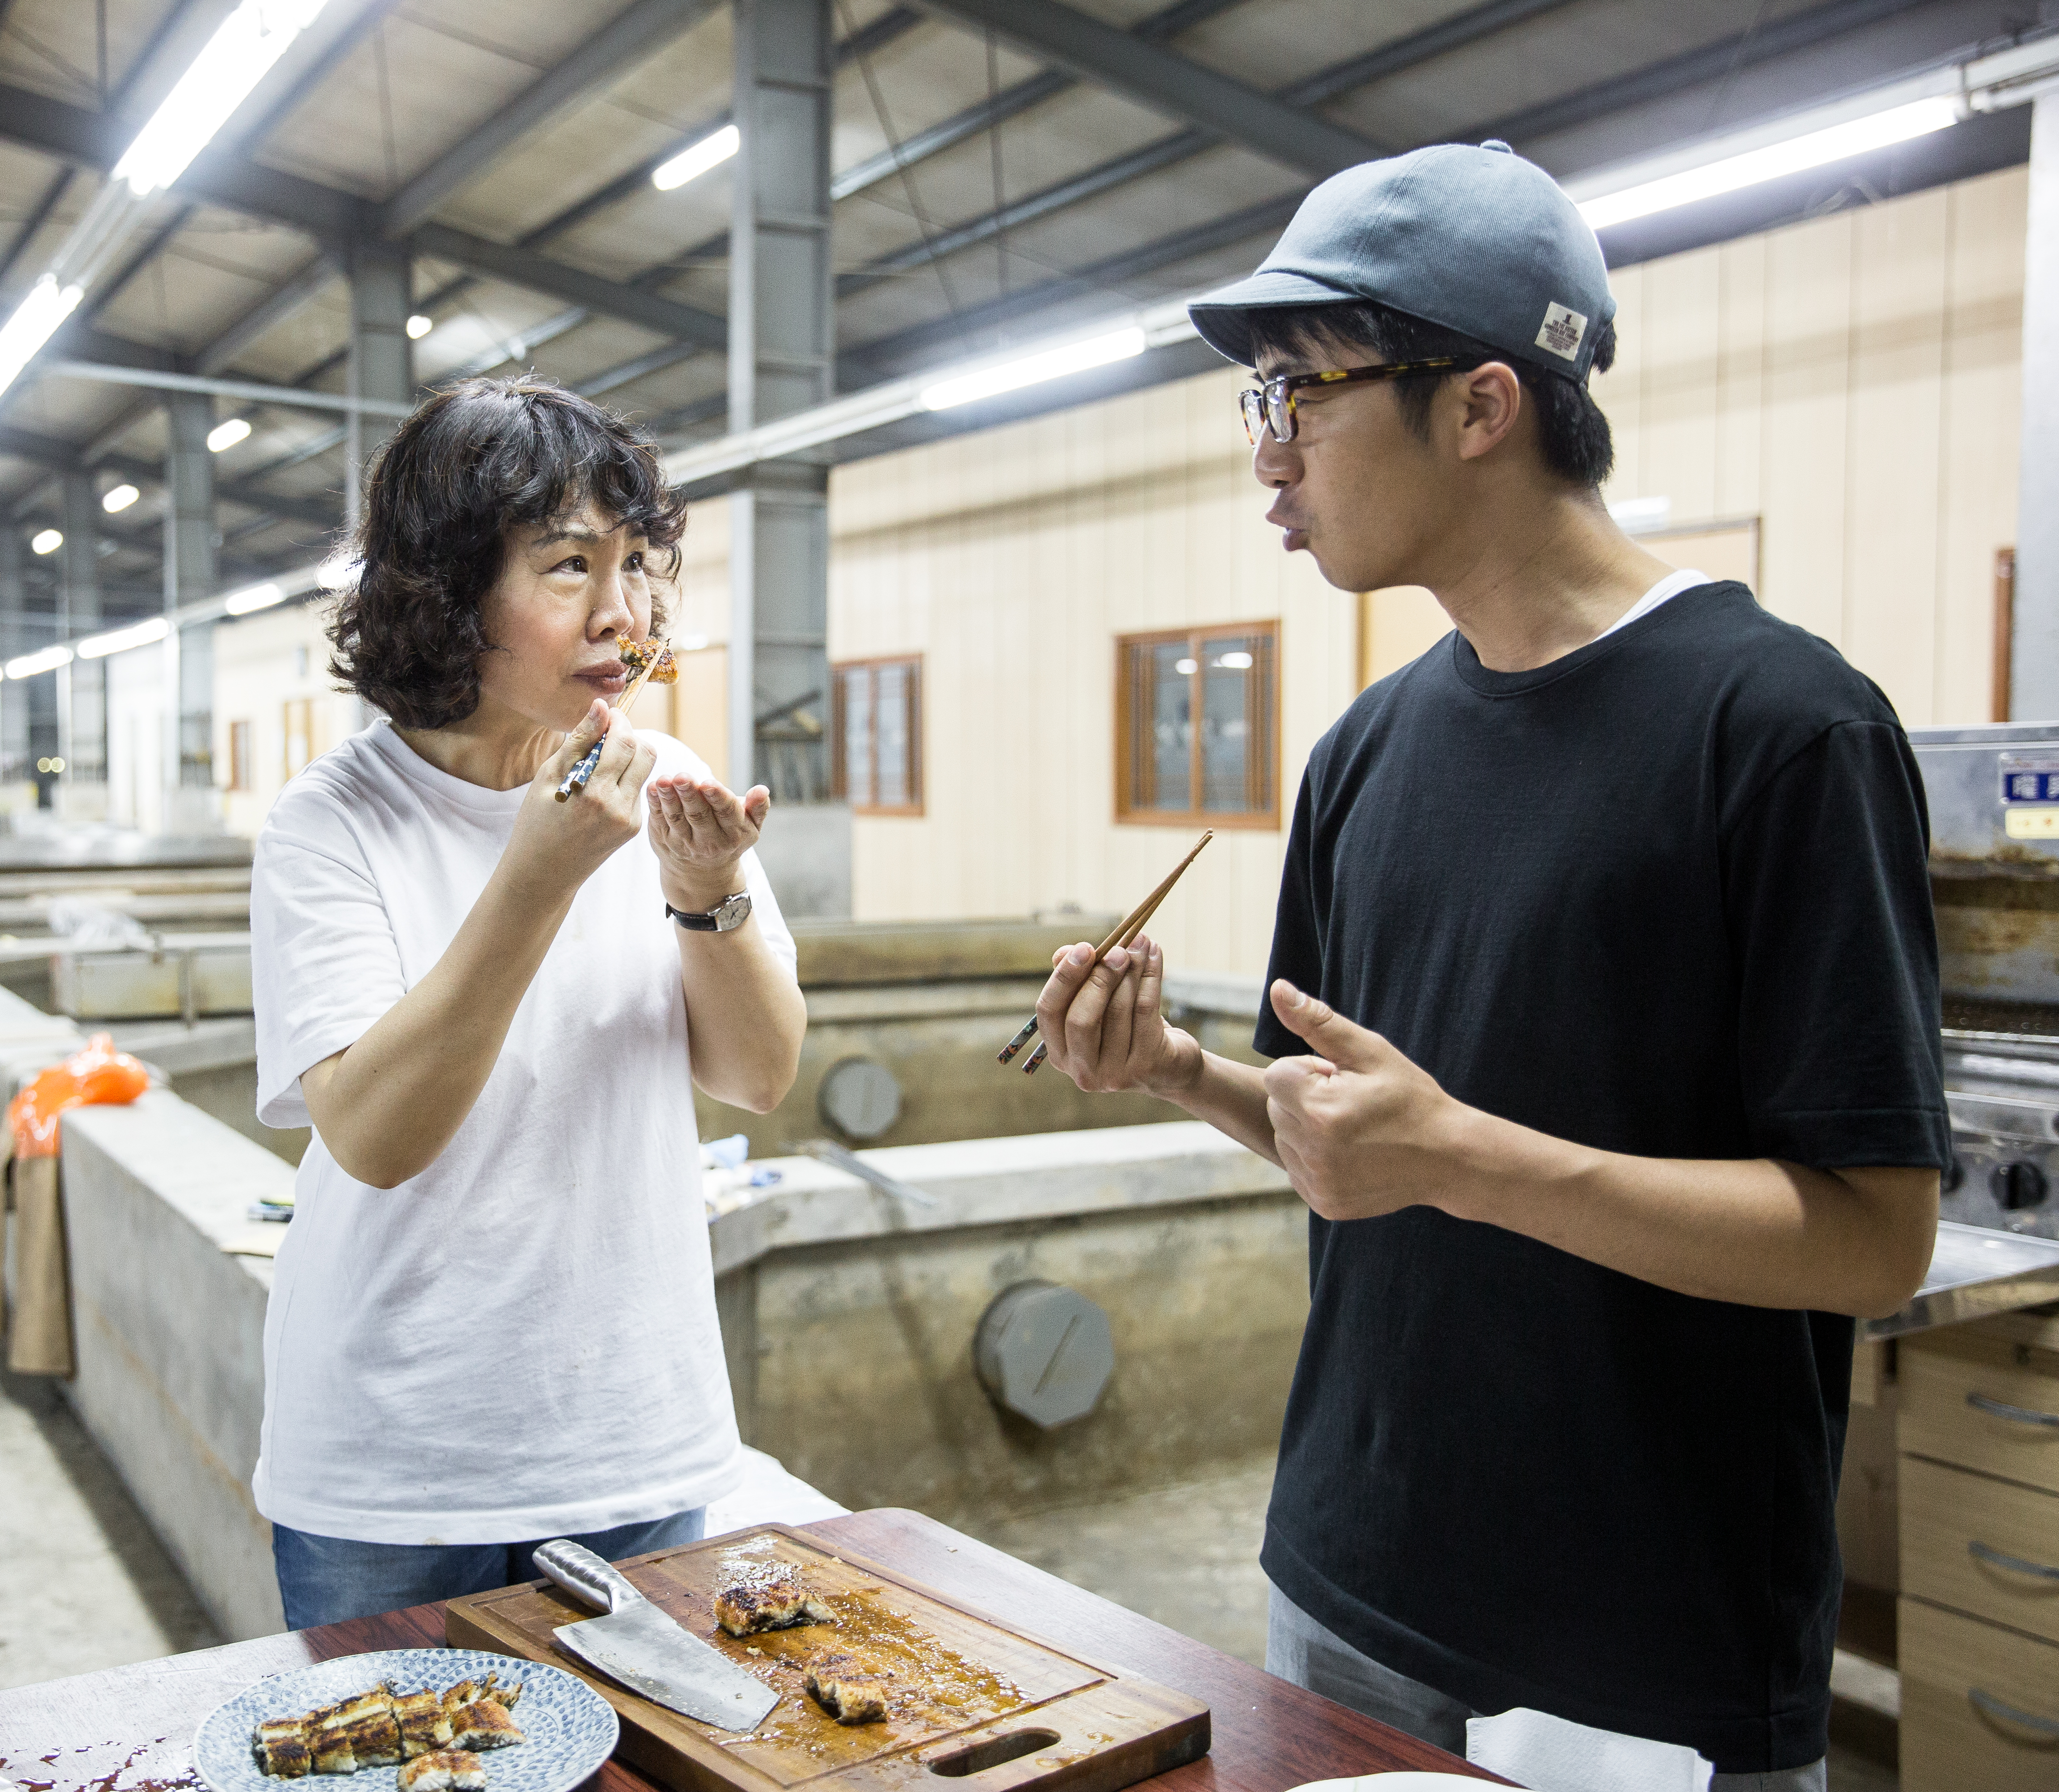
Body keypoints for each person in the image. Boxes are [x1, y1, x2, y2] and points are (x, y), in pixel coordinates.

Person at [1031, 142, 1944, 1790]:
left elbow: (1877, 1240)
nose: (1271, 463)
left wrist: (1465, 1157)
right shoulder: (1370, 748)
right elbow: (1358, 1145)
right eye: (1259, 408)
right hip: (1347, 1580)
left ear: (1481, 406)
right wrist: (1179, 1074)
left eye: (1300, 399)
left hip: (1636, 1643)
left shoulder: (1785, 732)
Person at [247, 377, 806, 1630]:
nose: (626, 614)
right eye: (567, 567)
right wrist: (537, 876)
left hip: (637, 1442)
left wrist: (706, 891)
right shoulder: (335, 822)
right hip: (395, 1475)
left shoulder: (670, 781)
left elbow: (760, 1075)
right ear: (448, 600)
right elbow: (377, 1138)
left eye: (644, 564)